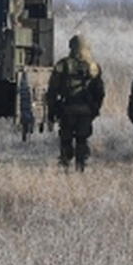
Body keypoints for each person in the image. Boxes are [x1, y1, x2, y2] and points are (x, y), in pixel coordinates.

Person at [47, 34, 105, 171]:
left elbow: (52, 91)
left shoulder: (62, 64)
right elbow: (100, 91)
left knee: (66, 138)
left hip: (67, 109)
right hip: (86, 110)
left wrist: (52, 110)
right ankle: (81, 166)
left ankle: (65, 163)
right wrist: (95, 107)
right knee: (82, 139)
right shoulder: (94, 67)